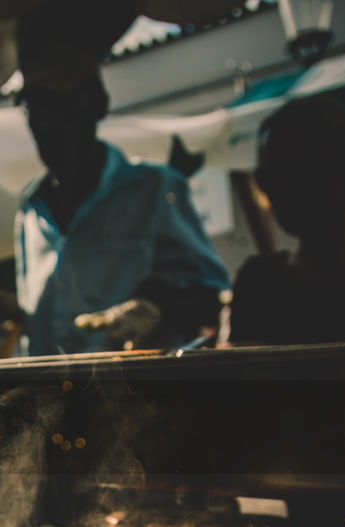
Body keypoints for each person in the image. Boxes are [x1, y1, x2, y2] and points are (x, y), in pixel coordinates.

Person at [13, 56, 230, 356]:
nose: (48, 123)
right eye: (35, 108)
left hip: (138, 394)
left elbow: (209, 295)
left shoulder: (155, 188)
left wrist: (154, 307)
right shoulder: (30, 206)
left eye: (64, 105)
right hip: (51, 396)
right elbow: (36, 316)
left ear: (98, 106)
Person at [228, 95, 345, 345]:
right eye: (267, 176)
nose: (275, 188)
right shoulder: (257, 282)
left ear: (342, 171)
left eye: (292, 170)